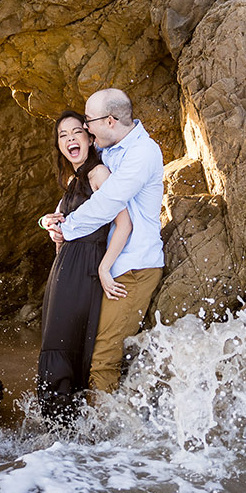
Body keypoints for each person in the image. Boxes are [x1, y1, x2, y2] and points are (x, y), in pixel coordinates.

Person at [43, 89, 164, 393]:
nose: (85, 129)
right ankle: (81, 432)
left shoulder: (143, 153)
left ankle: (106, 438)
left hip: (133, 268)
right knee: (82, 353)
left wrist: (68, 229)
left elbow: (109, 202)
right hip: (104, 267)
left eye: (87, 122)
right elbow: (76, 195)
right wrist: (51, 222)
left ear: (109, 121)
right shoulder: (109, 149)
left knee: (102, 359)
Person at [37, 110, 132, 425]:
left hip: (85, 269)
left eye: (76, 132)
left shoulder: (98, 175)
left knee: (64, 348)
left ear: (91, 139)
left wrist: (104, 269)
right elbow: (54, 224)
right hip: (64, 269)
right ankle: (66, 438)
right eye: (62, 136)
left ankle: (62, 438)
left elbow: (123, 223)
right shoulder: (72, 181)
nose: (69, 140)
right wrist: (47, 225)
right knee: (60, 346)